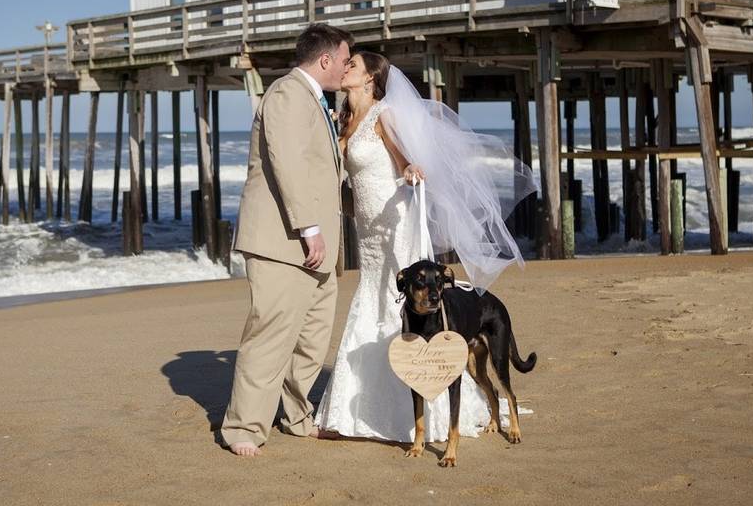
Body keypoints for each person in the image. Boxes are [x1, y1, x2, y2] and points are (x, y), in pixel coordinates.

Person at [314, 51, 536, 442]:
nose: (345, 68)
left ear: (370, 79)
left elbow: (401, 161)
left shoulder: (385, 115)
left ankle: (417, 412)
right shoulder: (344, 119)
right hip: (366, 230)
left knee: (394, 306)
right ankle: (355, 414)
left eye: (353, 65)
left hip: (395, 223)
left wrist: (411, 169)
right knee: (369, 302)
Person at [220, 23, 353, 456]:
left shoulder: (315, 100)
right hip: (283, 241)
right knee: (270, 334)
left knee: (313, 339)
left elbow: (321, 170)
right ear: (325, 59)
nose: (347, 67)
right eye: (345, 59)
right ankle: (243, 428)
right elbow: (287, 163)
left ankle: (296, 415)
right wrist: (309, 228)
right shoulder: (286, 94)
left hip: (317, 246)